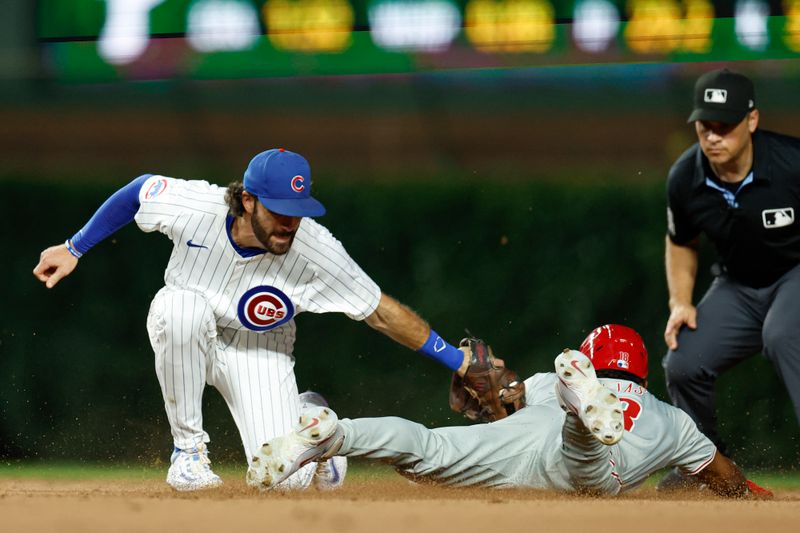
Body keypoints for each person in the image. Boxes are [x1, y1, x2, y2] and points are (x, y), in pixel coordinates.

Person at [32, 148, 473, 491]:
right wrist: (74, 248)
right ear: (247, 199)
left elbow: (378, 309)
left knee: (287, 484)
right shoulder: (197, 206)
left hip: (260, 351)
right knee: (179, 308)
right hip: (191, 328)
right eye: (279, 209)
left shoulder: (317, 249)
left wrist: (457, 361)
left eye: (297, 210)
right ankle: (187, 453)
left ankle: (311, 419)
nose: (290, 222)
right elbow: (138, 190)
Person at [248, 325, 771, 498]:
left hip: (526, 440)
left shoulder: (543, 382)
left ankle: (333, 435)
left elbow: (509, 397)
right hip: (589, 471)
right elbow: (723, 477)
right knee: (587, 451)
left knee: (428, 447)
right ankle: (581, 410)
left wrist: (488, 392)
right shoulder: (674, 420)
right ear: (640, 373)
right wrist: (752, 494)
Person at [662, 68, 800, 455]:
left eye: (725, 125)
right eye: (705, 125)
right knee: (684, 363)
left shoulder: (792, 164)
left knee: (784, 335)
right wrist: (680, 301)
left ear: (752, 120)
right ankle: (704, 467)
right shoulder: (685, 177)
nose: (713, 135)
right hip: (739, 286)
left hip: (794, 274)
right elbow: (680, 241)